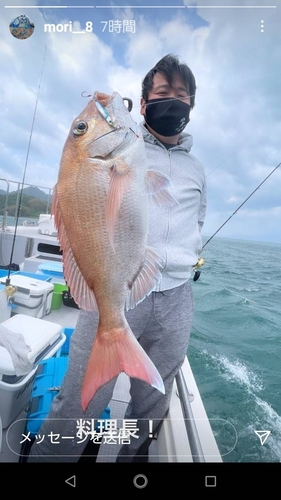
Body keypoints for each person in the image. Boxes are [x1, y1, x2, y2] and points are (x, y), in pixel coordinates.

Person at [28, 53, 207, 463]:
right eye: (162, 93)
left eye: (181, 95)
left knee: (153, 398)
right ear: (143, 105)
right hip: (114, 287)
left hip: (176, 295)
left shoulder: (196, 169)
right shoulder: (125, 147)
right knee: (78, 400)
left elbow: (197, 218)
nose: (172, 100)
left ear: (191, 106)